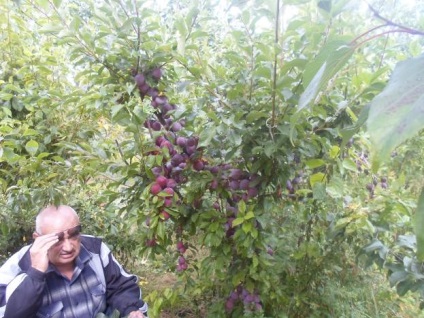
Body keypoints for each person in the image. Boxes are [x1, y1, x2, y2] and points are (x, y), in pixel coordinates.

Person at [0, 205, 148, 318]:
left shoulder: (95, 250)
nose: (68, 247)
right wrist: (36, 274)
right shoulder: (17, 268)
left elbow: (120, 286)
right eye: (57, 239)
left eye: (73, 235)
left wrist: (131, 309)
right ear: (37, 238)